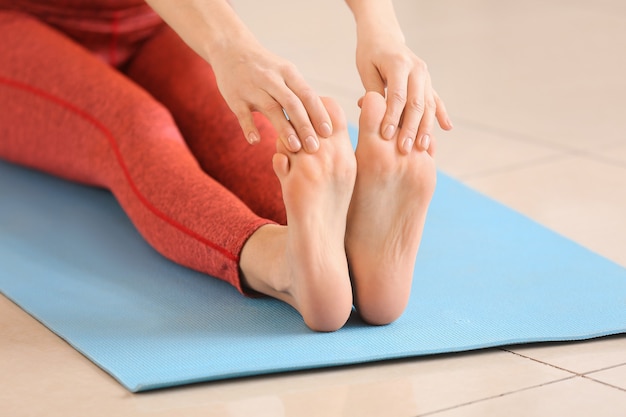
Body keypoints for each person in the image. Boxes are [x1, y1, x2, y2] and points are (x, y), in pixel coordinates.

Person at [0, 0, 452, 331]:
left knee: (245, 131)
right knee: (134, 126)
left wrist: (382, 29)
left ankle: (350, 248)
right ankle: (278, 264)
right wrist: (229, 44)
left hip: (152, 18)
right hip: (14, 23)